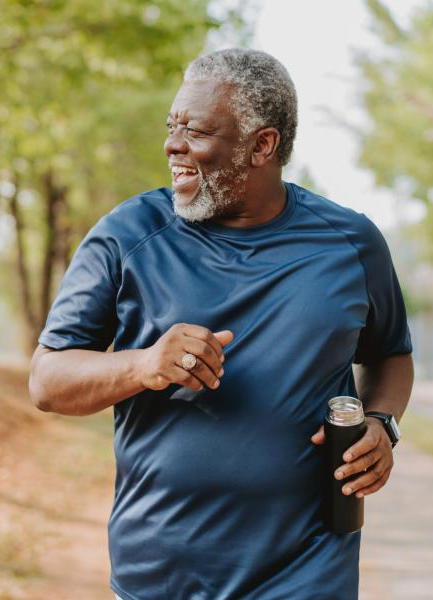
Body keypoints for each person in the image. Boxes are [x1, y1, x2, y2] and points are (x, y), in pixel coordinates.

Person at [29, 48, 413, 600]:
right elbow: (47, 381)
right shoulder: (127, 235)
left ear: (263, 145)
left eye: (198, 131)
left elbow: (390, 354)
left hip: (308, 571)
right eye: (172, 127)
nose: (173, 146)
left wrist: (382, 423)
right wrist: (143, 364)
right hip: (162, 574)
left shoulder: (351, 243)